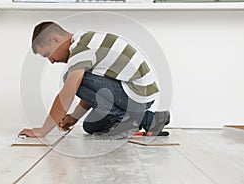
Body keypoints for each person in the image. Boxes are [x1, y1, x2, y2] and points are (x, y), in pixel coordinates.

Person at [19, 21, 170, 139]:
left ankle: (138, 119)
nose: (51, 61)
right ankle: (146, 119)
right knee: (90, 126)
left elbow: (68, 93)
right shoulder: (84, 43)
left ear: (55, 40)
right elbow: (94, 90)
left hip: (137, 93)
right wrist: (74, 117)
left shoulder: (81, 47)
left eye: (47, 54)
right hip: (131, 93)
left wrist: (42, 131)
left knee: (69, 78)